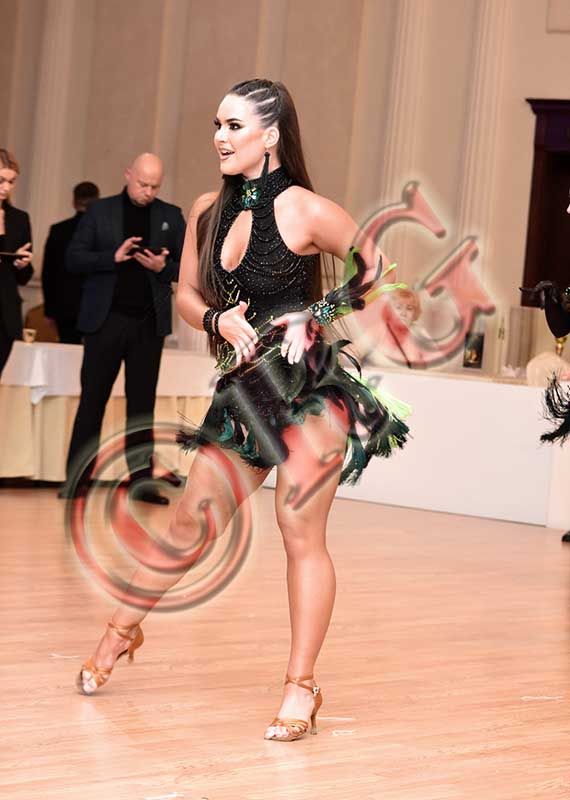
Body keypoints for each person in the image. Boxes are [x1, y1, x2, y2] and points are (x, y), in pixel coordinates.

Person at [75, 80, 410, 742]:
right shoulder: (207, 209)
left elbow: (382, 273)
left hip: (311, 390)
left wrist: (314, 313)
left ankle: (300, 686)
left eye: (234, 126)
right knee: (187, 527)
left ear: (271, 135)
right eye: (216, 125)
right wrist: (216, 321)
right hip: (244, 394)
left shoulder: (307, 209)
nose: (220, 138)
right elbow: (186, 296)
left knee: (297, 528)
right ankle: (121, 631)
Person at [60, 153, 186, 504]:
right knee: (92, 402)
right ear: (128, 174)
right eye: (143, 184)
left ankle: (142, 483)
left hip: (148, 325)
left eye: (155, 186)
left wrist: (162, 267)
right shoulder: (99, 212)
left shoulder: (171, 215)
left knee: (142, 407)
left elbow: (188, 267)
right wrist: (111, 257)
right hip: (105, 322)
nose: (148, 192)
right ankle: (77, 481)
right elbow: (73, 258)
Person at [42, 181, 100, 344]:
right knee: (95, 354)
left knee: (66, 351)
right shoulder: (104, 232)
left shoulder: (58, 230)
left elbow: (48, 273)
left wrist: (49, 310)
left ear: (74, 202)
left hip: (64, 306)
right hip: (96, 306)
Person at [0, 148, 34, 377]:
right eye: (1, 181)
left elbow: (25, 277)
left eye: (11, 182)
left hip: (5, 315)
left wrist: (22, 264)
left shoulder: (19, 219)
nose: (6, 188)